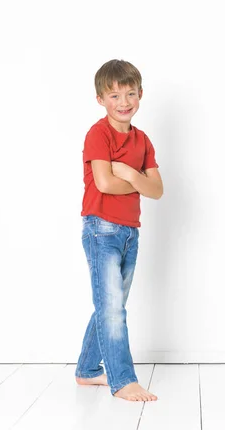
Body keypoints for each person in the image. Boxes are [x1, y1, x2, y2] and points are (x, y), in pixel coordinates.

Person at [74, 59, 163, 402]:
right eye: (114, 95)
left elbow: (157, 190)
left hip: (129, 232)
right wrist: (136, 179)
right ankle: (123, 379)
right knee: (112, 307)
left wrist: (128, 173)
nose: (123, 102)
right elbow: (104, 183)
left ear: (140, 94)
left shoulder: (142, 140)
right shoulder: (99, 134)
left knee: (110, 304)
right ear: (100, 99)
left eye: (130, 93)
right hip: (100, 229)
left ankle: (87, 370)